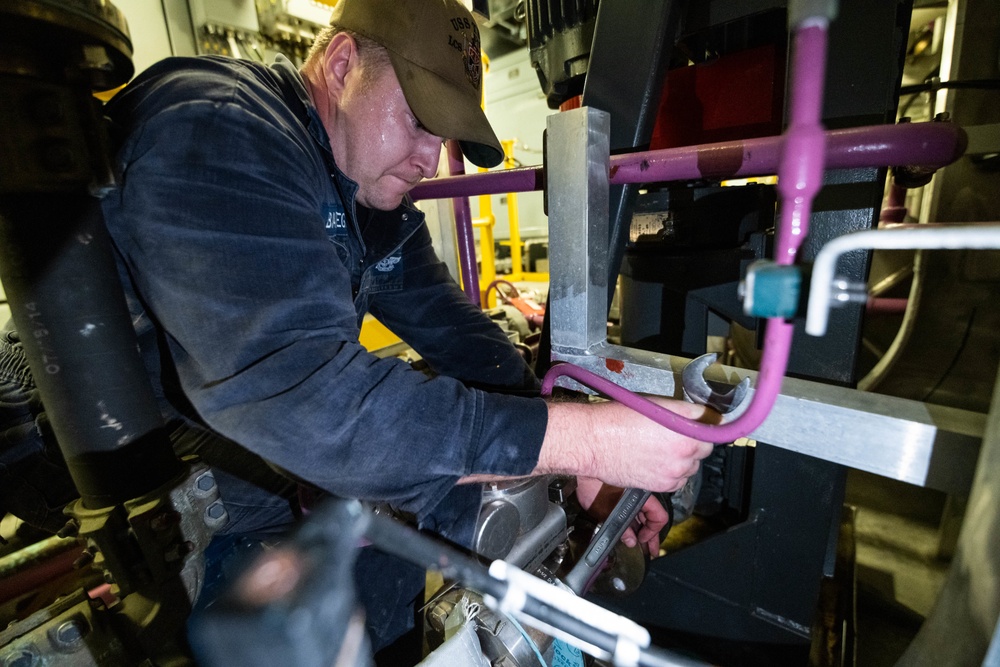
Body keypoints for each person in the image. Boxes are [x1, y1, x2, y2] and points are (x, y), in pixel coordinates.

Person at [0, 0, 717, 660]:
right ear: (341, 64)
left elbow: (460, 336)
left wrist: (576, 463)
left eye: (442, 137)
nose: (428, 160)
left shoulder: (362, 195)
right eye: (417, 121)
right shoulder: (221, 126)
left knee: (426, 472)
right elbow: (311, 405)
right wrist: (589, 436)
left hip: (225, 435)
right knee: (368, 512)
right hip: (120, 461)